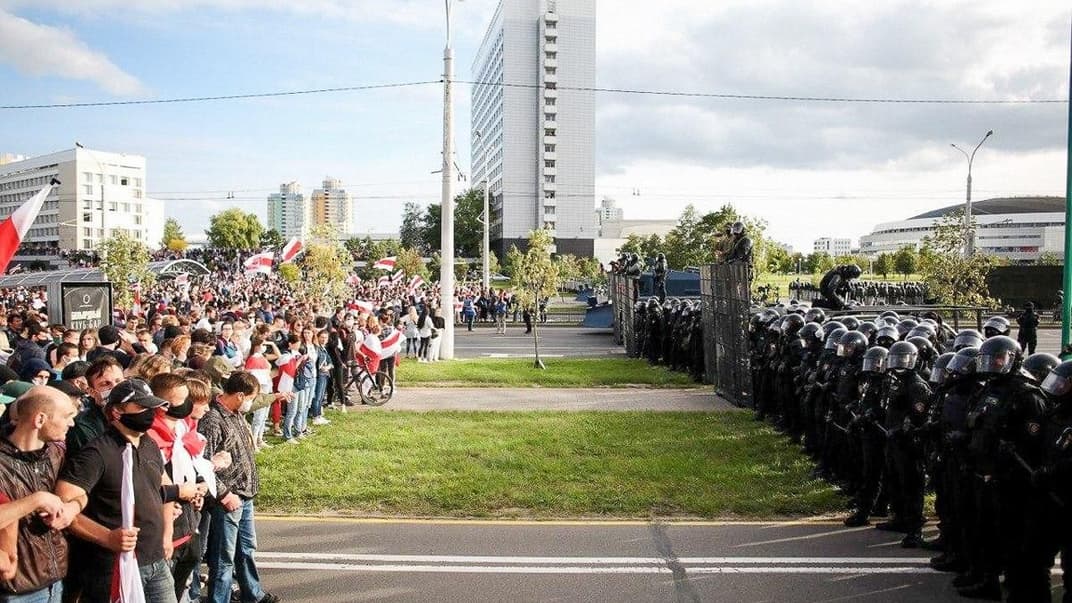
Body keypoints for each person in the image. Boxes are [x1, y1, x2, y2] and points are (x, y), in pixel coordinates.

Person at [55, 379, 185, 602]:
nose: (150, 413)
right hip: (114, 565)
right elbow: (63, 506)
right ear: (117, 411)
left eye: (151, 407)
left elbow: (163, 488)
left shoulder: (148, 444)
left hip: (155, 559)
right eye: (142, 407)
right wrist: (106, 537)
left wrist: (167, 534)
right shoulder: (96, 453)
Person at [197, 372, 279, 603]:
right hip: (229, 499)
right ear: (240, 395)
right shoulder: (213, 420)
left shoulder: (235, 414)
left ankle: (252, 593)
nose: (251, 403)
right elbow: (203, 465)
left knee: (245, 549)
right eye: (250, 398)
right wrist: (224, 494)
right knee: (224, 556)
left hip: (245, 495)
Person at [0, 386, 78, 602]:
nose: (72, 423)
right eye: (67, 416)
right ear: (40, 419)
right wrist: (36, 500)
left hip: (56, 581)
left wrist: (71, 508)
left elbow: (80, 492)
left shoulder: (56, 452)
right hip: (15, 589)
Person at [66, 357, 125, 454]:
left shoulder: (136, 411)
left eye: (118, 381)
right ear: (91, 392)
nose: (115, 387)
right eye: (106, 384)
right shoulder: (83, 426)